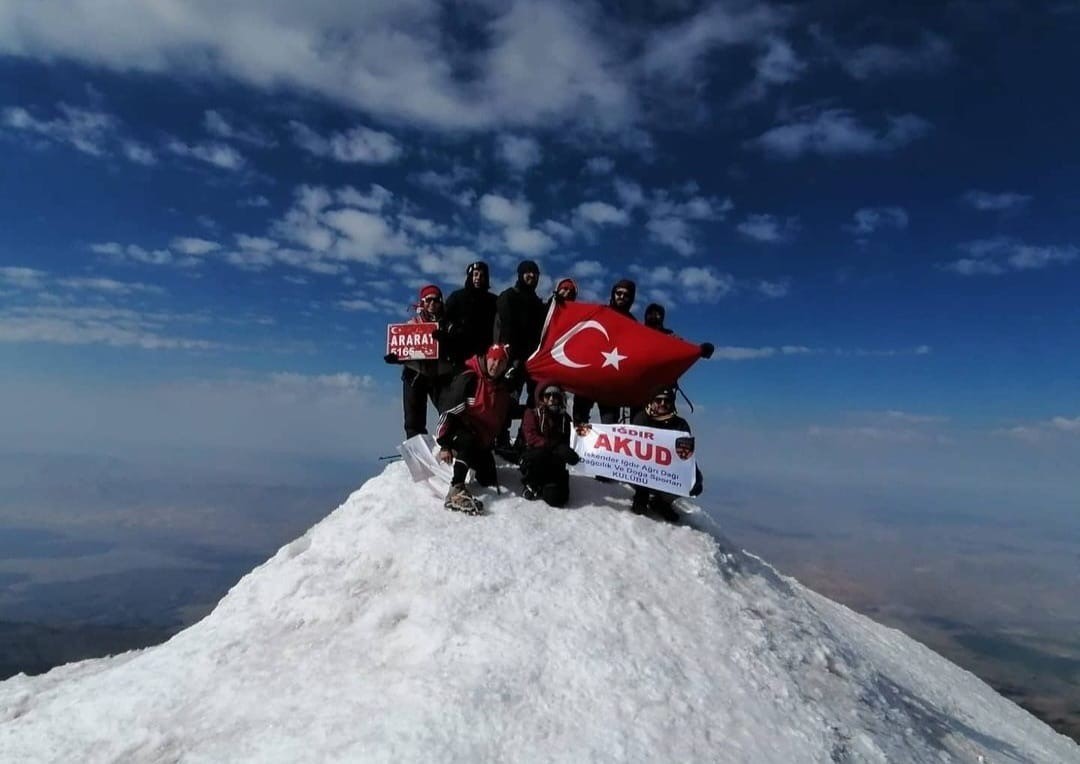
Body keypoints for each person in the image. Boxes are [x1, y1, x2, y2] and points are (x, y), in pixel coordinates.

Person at [435, 344, 514, 513]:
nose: (495, 365)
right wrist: (444, 445)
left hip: (480, 440)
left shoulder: (501, 388)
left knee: (488, 478)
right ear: (487, 357)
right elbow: (447, 413)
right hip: (457, 434)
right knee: (467, 440)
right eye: (493, 359)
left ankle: (466, 460)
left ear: (506, 365)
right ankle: (455, 490)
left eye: (501, 362)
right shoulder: (470, 379)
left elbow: (503, 415)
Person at [384, 284, 457, 439]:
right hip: (415, 374)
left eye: (436, 300)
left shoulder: (449, 325)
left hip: (441, 376)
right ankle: (417, 453)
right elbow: (405, 348)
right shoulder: (412, 324)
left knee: (450, 412)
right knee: (413, 420)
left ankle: (451, 448)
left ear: (441, 302)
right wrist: (397, 358)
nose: (432, 304)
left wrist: (446, 341)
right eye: (428, 300)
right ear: (422, 302)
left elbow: (459, 347)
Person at [628, 385, 703, 522]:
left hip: (667, 470)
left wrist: (694, 476)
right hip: (643, 470)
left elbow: (685, 454)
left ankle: (662, 502)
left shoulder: (681, 424)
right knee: (639, 507)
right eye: (659, 400)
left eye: (667, 401)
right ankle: (641, 494)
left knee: (695, 483)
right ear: (652, 401)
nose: (663, 404)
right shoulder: (641, 419)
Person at [494, 260, 546, 458]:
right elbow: (503, 328)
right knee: (506, 399)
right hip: (512, 359)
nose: (531, 276)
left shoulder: (538, 304)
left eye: (534, 273)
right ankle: (501, 437)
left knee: (534, 401)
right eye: (527, 272)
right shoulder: (508, 296)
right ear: (520, 274)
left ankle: (525, 438)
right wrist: (508, 357)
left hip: (534, 361)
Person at [572, 278, 637, 426]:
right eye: (618, 293)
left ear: (631, 298)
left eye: (626, 295)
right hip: (589, 374)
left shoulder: (633, 323)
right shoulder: (601, 312)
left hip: (611, 381)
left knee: (610, 424)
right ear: (613, 294)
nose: (621, 297)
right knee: (579, 420)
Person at [519, 381, 580, 507]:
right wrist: (556, 447)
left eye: (556, 396)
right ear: (542, 397)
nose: (552, 399)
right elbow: (531, 438)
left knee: (557, 499)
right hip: (535, 459)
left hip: (554, 463)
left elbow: (570, 440)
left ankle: (544, 487)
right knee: (540, 453)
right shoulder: (532, 414)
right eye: (548, 395)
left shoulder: (565, 419)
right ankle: (531, 483)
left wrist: (572, 452)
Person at [443, 261, 497, 365]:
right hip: (459, 354)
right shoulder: (457, 297)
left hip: (484, 355)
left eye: (482, 275)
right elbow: (444, 319)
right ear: (470, 276)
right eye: (475, 274)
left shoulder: (493, 301)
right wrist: (452, 328)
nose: (478, 278)